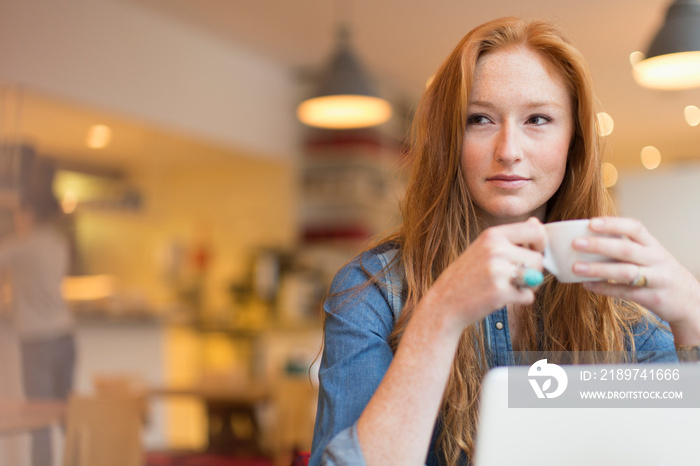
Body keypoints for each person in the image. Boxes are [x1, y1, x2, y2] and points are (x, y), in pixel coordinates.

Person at [309, 17, 700, 466]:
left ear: (573, 141)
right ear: (448, 139)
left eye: (538, 119)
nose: (508, 149)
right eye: (479, 119)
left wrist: (692, 310)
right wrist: (441, 313)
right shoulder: (372, 290)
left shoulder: (624, 307)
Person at [0, 171, 76, 466]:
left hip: (38, 342)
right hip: (65, 336)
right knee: (68, 416)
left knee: (38, 421)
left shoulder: (24, 245)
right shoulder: (58, 243)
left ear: (28, 213)